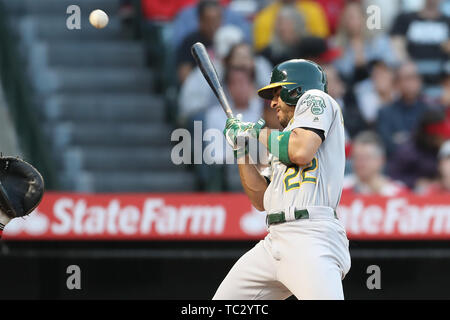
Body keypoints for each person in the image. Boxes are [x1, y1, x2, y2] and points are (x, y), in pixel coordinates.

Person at [214, 59, 350, 299]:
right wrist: (242, 149)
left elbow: (300, 151)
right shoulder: (282, 141)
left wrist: (254, 131)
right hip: (274, 240)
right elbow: (260, 199)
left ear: (295, 90)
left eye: (277, 93)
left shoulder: (316, 99)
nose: (272, 102)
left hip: (311, 235)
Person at [332, 1, 398, 84]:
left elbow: (392, 63)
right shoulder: (337, 45)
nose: (351, 22)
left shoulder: (379, 40)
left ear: (364, 17)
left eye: (354, 17)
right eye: (348, 18)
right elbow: (340, 73)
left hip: (377, 85)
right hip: (349, 89)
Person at [390, 0, 450, 87]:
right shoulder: (405, 19)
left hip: (441, 82)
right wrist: (407, 65)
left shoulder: (447, 22)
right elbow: (396, 45)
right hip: (411, 81)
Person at [388, 108, 450, 191]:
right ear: (429, 135)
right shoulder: (407, 151)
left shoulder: (444, 149)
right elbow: (393, 177)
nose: (442, 138)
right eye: (438, 135)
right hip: (412, 195)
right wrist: (415, 182)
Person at [377, 61, 429, 157]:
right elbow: (388, 146)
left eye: (415, 77)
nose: (412, 82)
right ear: (397, 83)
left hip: (426, 165)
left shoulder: (430, 110)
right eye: (407, 78)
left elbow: (433, 143)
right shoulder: (385, 112)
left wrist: (403, 139)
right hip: (396, 166)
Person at [342, 131, 409, 196]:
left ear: (381, 160)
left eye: (366, 158)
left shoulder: (397, 192)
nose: (360, 163)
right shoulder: (341, 188)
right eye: (356, 157)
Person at [253, 0, 330, 52]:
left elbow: (321, 40)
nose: (284, 28)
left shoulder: (312, 9)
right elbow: (262, 49)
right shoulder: (264, 16)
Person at [176, 0, 223, 83]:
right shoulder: (190, 42)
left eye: (216, 19)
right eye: (209, 20)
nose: (213, 25)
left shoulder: (228, 39)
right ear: (200, 20)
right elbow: (184, 76)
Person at [353, 60, 398, 127]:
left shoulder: (399, 92)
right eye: (376, 76)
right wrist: (384, 96)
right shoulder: (367, 98)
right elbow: (371, 120)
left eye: (383, 74)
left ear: (391, 75)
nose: (380, 78)